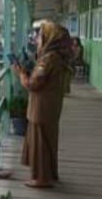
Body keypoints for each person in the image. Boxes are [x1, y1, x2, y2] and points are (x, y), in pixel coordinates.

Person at [15, 19, 73, 188]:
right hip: (51, 105)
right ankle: (49, 175)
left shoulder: (49, 59)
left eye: (40, 35)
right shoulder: (57, 57)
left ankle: (41, 179)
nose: (37, 39)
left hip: (41, 107)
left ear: (50, 38)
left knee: (40, 143)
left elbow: (33, 84)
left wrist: (20, 74)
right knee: (48, 141)